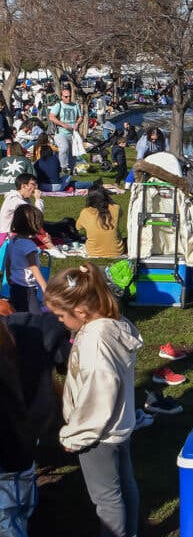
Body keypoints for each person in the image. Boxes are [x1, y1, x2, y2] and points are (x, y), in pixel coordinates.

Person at [44, 263, 142, 537]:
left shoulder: (94, 342)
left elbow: (97, 396)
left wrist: (74, 437)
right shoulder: (114, 324)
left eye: (61, 316)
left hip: (98, 435)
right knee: (124, 485)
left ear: (81, 311)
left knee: (106, 498)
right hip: (120, 425)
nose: (59, 322)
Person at [0, 317, 39, 535]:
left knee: (7, 521)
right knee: (22, 511)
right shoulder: (20, 364)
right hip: (23, 460)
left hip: (8, 467)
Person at [4, 205, 49, 313]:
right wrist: (44, 286)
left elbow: (8, 260)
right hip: (27, 287)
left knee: (18, 311)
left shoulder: (13, 241)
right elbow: (33, 267)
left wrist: (9, 276)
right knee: (35, 315)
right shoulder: (29, 245)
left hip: (15, 284)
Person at [77, 186, 125, 258]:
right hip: (117, 251)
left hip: (93, 252)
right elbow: (120, 215)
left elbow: (78, 227)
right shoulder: (116, 208)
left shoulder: (85, 212)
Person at [48, 86, 82, 173]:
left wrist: (77, 123)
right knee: (64, 148)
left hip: (73, 133)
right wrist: (63, 124)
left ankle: (71, 169)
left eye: (70, 96)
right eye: (66, 96)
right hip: (61, 132)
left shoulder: (75, 105)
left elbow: (80, 117)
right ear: (62, 97)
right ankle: (63, 167)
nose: (68, 98)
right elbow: (51, 117)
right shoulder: (58, 105)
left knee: (73, 153)